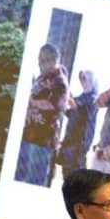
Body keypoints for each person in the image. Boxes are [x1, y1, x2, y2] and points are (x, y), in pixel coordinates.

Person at [15, 43, 68, 186]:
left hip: (42, 139)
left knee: (33, 181)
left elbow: (52, 105)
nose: (39, 64)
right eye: (39, 61)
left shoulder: (60, 82)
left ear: (53, 61)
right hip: (28, 134)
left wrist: (30, 101)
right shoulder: (42, 77)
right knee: (19, 177)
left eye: (43, 61)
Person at [56, 70, 99, 178]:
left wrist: (63, 90)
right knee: (66, 173)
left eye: (85, 78)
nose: (83, 81)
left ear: (91, 80)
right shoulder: (81, 96)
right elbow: (71, 112)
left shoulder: (93, 98)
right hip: (70, 140)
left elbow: (74, 103)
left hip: (80, 142)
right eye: (81, 79)